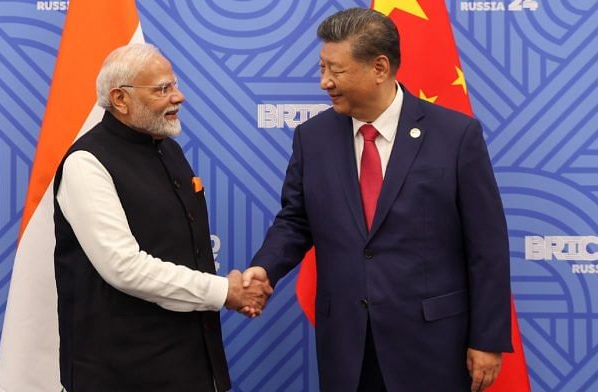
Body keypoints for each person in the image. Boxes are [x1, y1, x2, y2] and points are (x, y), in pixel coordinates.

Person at [242, 8, 512, 392]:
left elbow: (486, 244)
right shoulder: (312, 138)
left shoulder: (455, 136)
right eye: (322, 68)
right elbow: (295, 221)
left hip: (432, 345)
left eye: (336, 70)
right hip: (348, 345)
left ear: (380, 68)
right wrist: (265, 268)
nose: (324, 82)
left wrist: (487, 339)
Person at [53, 43, 271, 392]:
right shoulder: (87, 163)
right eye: (163, 89)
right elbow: (124, 268)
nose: (179, 97)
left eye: (175, 84)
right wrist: (224, 291)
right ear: (120, 99)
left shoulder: (169, 149)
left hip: (190, 365)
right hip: (121, 375)